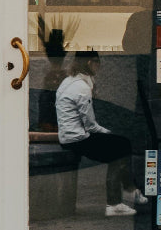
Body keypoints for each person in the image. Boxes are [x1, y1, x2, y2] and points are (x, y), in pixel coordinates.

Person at [55, 50, 145, 217]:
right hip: (78, 139)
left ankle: (127, 190)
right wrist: (107, 132)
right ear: (90, 63)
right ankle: (116, 202)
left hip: (68, 136)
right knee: (120, 147)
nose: (99, 67)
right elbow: (90, 124)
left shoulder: (69, 81)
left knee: (120, 144)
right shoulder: (82, 87)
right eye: (98, 63)